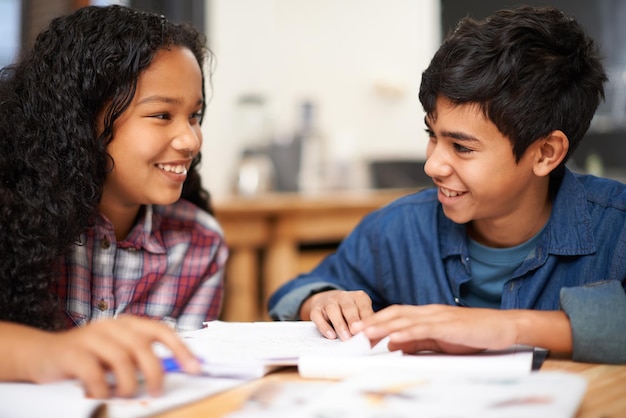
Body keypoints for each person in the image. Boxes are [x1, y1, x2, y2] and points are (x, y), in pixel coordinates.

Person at [269, 6, 626, 364]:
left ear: (546, 153)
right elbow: (296, 292)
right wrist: (323, 300)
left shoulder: (616, 228)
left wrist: (505, 327)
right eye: (431, 135)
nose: (432, 164)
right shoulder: (397, 229)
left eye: (462, 147)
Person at [0, 5, 227, 397]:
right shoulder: (10, 215)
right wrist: (50, 352)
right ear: (80, 120)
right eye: (161, 115)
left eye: (194, 116)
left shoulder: (199, 244)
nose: (191, 140)